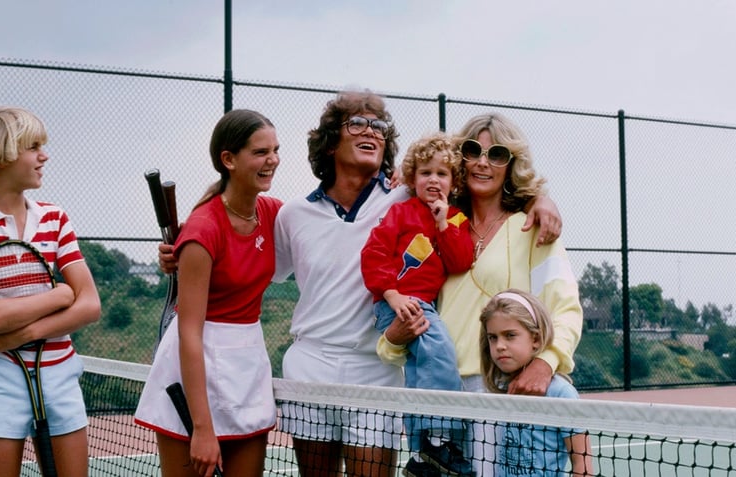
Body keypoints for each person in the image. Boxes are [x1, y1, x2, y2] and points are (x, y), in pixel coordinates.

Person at [158, 93, 562, 477]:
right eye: (358, 123)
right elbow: (240, 236)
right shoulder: (291, 214)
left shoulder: (408, 196)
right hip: (309, 370)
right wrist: (187, 250)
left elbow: (473, 174)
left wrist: (539, 198)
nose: (372, 131)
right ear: (331, 142)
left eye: (379, 127)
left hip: (377, 370)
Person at [379, 112, 583, 477]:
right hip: (439, 398)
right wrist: (392, 342)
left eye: (498, 154)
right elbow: (412, 306)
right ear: (460, 159)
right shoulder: (432, 222)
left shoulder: (533, 227)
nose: (484, 163)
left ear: (511, 165)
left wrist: (545, 362)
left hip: (500, 392)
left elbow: (566, 310)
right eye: (474, 150)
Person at [0, 106, 102, 477]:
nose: (43, 155)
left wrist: (25, 333)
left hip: (60, 371)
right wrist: (60, 296)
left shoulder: (55, 218)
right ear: (1, 155)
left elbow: (90, 305)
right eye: (33, 147)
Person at [134, 109, 281, 477]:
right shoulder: (202, 231)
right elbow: (189, 332)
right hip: (193, 370)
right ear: (228, 160)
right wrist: (201, 428)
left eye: (275, 150)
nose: (273, 160)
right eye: (260, 152)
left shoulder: (272, 212)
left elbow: (322, 211)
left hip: (247, 366)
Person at [360, 132, 474, 476]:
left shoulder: (455, 220)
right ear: (412, 178)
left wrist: (442, 223)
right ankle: (438, 440)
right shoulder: (400, 213)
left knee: (420, 369)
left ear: (453, 182)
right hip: (398, 304)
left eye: (442, 173)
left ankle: (422, 453)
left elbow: (459, 261)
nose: (433, 180)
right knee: (440, 353)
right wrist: (391, 294)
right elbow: (373, 253)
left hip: (425, 304)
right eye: (425, 173)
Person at [479, 289, 593, 476]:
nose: (500, 345)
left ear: (536, 339)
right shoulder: (497, 390)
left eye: (510, 335)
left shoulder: (561, 393)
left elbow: (583, 464)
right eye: (493, 337)